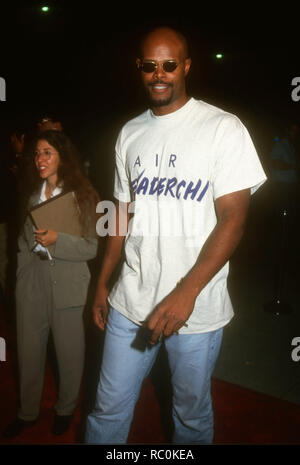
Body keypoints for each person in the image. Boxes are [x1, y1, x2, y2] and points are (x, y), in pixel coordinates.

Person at [85, 26, 267, 444]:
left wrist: (187, 291)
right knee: (106, 410)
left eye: (169, 64)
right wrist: (101, 282)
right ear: (140, 69)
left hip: (196, 310)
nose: (160, 73)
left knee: (190, 416)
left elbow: (234, 220)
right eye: (150, 66)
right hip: (130, 303)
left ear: (186, 66)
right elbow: (118, 214)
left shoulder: (223, 128)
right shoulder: (129, 133)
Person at [3, 130, 99, 438]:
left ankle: (65, 410)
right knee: (28, 352)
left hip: (69, 282)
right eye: (36, 153)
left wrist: (58, 241)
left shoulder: (83, 195)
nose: (40, 159)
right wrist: (21, 277)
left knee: (70, 354)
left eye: (47, 153)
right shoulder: (31, 193)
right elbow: (21, 241)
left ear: (62, 157)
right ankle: (27, 413)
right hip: (33, 281)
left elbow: (91, 247)